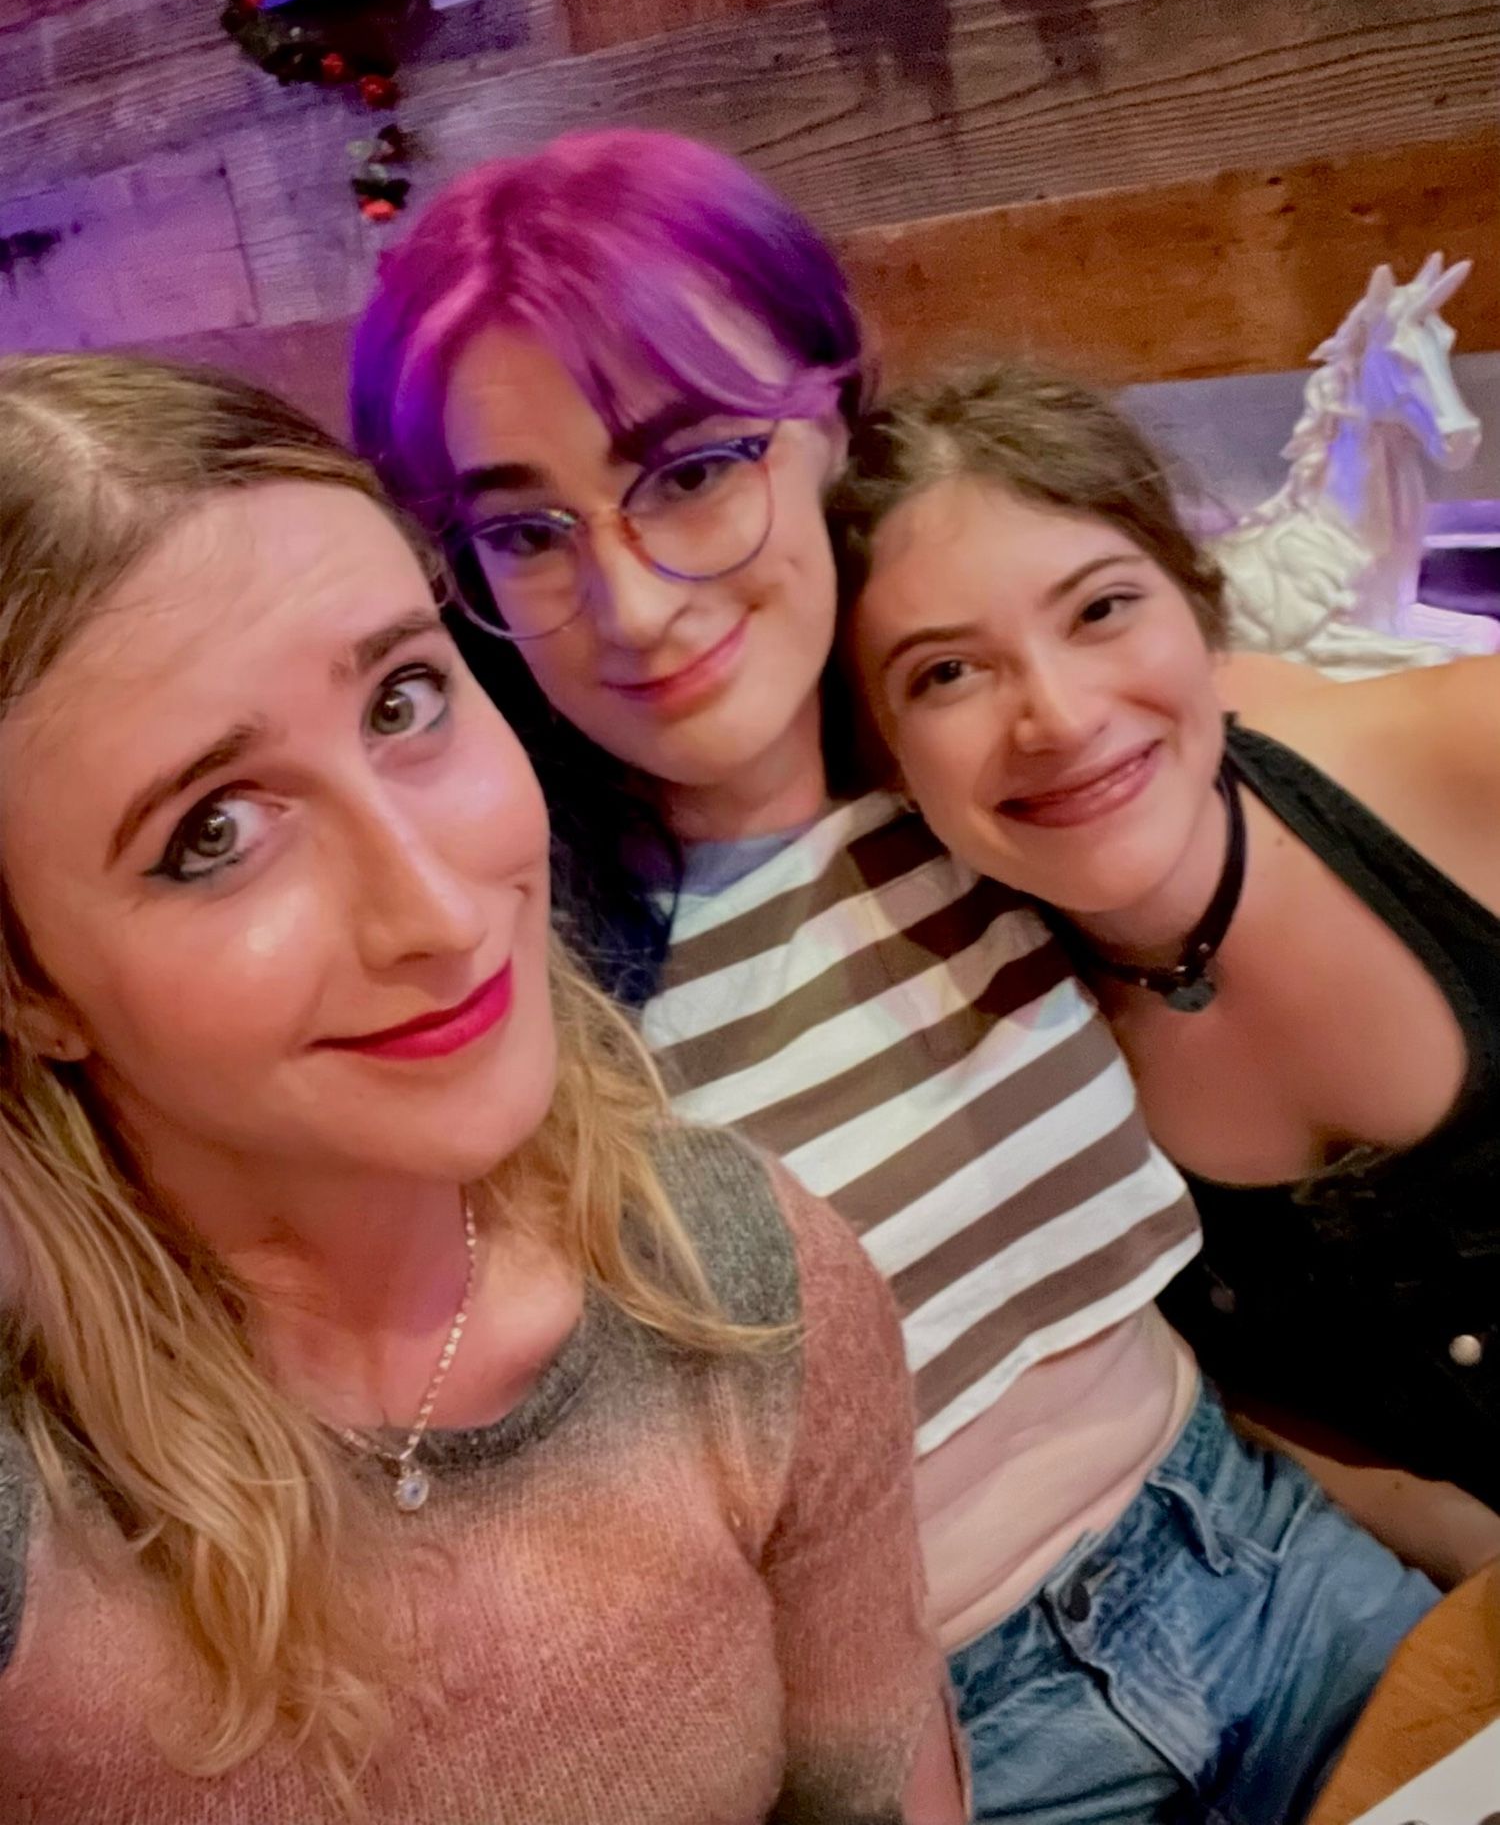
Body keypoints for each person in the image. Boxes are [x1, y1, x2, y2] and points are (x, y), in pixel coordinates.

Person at [352, 129, 1434, 1823]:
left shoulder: (997, 787)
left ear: (830, 414)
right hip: (955, 1745)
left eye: (693, 465)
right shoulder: (519, 994)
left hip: (1274, 1555)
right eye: (529, 533)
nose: (629, 602)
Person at [0, 354, 961, 1825]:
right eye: (212, 834)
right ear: (31, 988)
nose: (440, 913)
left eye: (403, 700)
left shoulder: (745, 1285)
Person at [830, 359, 1500, 1593]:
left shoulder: (1470, 754)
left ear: (1200, 607)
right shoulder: (985, 1041)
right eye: (946, 673)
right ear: (884, 759)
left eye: (1099, 609)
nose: (1059, 716)